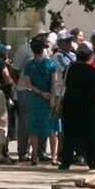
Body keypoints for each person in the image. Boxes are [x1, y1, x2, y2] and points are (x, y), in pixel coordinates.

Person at [60, 32, 95, 170]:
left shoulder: (70, 68)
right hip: (89, 105)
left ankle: (66, 162)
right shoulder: (94, 70)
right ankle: (92, 162)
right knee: (90, 134)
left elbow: (65, 83)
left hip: (71, 104)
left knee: (69, 134)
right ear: (89, 54)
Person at [19, 35, 60, 165]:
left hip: (35, 97)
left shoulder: (29, 65)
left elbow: (28, 83)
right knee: (52, 128)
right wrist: (52, 97)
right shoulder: (51, 64)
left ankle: (34, 156)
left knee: (34, 128)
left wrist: (40, 92)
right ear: (43, 49)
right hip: (49, 97)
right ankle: (53, 156)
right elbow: (54, 82)